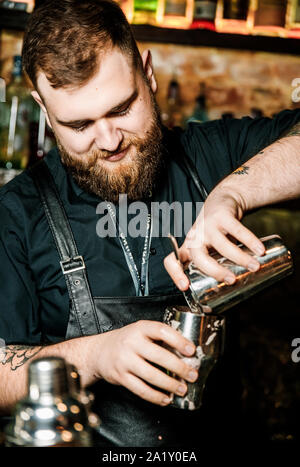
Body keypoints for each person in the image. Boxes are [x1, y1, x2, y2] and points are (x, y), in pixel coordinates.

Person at [0, 0, 300, 447]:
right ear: (44, 108)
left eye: (122, 109)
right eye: (79, 124)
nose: (108, 140)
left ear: (148, 73)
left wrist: (232, 192)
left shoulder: (208, 156)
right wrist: (96, 356)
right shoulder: (17, 212)